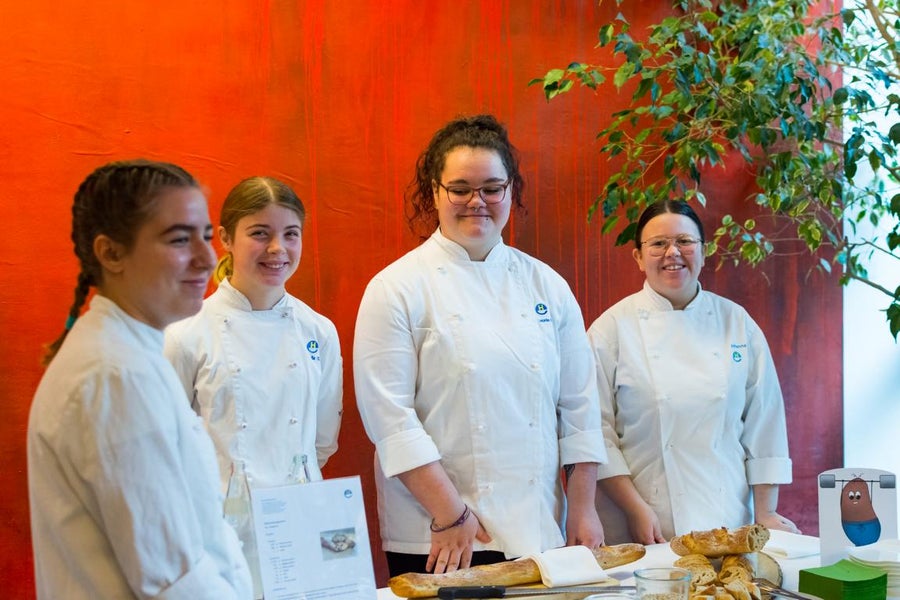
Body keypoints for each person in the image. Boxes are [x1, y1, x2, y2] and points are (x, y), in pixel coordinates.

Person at [354, 114, 607, 578]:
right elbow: (390, 420)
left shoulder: (547, 285)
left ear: (511, 191)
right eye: (460, 189)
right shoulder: (396, 288)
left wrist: (584, 508)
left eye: (492, 188)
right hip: (441, 536)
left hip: (539, 529)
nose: (477, 201)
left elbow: (580, 408)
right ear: (435, 192)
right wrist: (451, 515)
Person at [27, 159, 252, 599]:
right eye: (179, 239)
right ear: (111, 253)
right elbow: (174, 578)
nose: (208, 258)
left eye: (206, 236)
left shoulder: (128, 355)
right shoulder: (116, 376)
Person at [586, 199, 801, 546]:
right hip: (642, 523)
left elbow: (765, 421)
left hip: (726, 515)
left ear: (704, 252)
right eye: (658, 243)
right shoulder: (610, 329)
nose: (673, 253)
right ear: (638, 257)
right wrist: (636, 510)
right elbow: (596, 433)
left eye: (685, 242)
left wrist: (766, 511)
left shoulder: (736, 322)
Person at [164, 176, 342, 492]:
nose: (277, 248)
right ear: (225, 238)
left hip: (300, 506)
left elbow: (323, 440)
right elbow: (164, 441)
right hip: (217, 513)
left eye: (291, 234)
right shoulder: (184, 333)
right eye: (260, 233)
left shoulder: (319, 331)